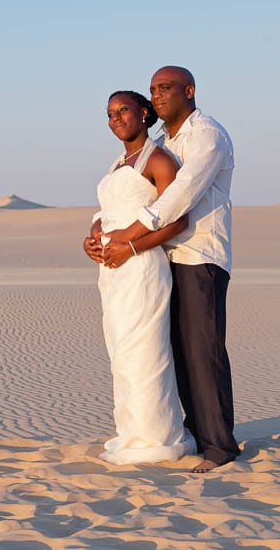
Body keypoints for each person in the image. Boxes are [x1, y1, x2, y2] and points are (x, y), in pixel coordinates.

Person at [96, 66, 239, 473]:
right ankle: (194, 435)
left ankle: (219, 448)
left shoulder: (208, 135)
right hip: (163, 258)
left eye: (165, 88)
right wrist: (106, 231)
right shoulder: (162, 140)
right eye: (153, 89)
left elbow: (181, 195)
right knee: (172, 353)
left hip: (199, 255)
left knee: (202, 351)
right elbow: (135, 191)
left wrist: (131, 237)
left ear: (188, 91)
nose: (157, 95)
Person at [84, 90, 196, 465]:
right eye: (110, 113)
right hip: (111, 270)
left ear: (144, 113)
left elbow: (177, 219)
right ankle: (132, 433)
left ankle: (156, 438)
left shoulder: (159, 159)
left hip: (142, 266)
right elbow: (108, 213)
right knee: (121, 352)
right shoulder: (118, 163)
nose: (115, 118)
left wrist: (130, 248)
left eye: (123, 110)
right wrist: (93, 237)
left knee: (143, 351)